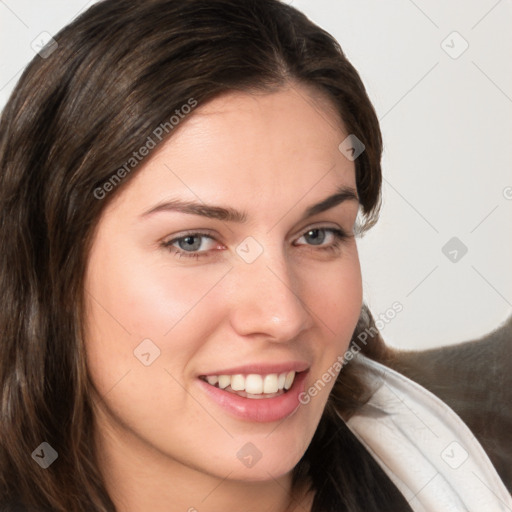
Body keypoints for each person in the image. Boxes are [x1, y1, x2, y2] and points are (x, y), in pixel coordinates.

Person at [0, 1, 509, 511]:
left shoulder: (445, 466)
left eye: (317, 235)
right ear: (48, 263)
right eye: (192, 241)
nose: (282, 316)